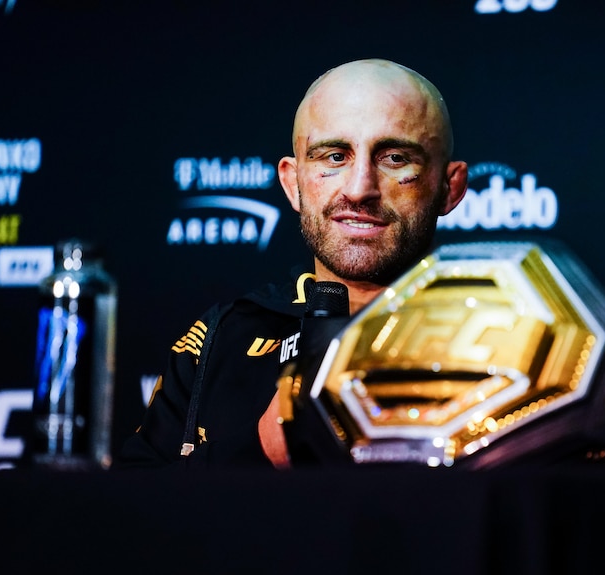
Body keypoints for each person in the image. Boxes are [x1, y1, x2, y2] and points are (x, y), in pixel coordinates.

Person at [116, 58, 469, 469]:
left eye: (393, 158)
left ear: (450, 187)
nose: (359, 189)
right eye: (334, 157)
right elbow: (131, 518)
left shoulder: (516, 337)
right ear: (292, 183)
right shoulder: (218, 338)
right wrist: (262, 449)